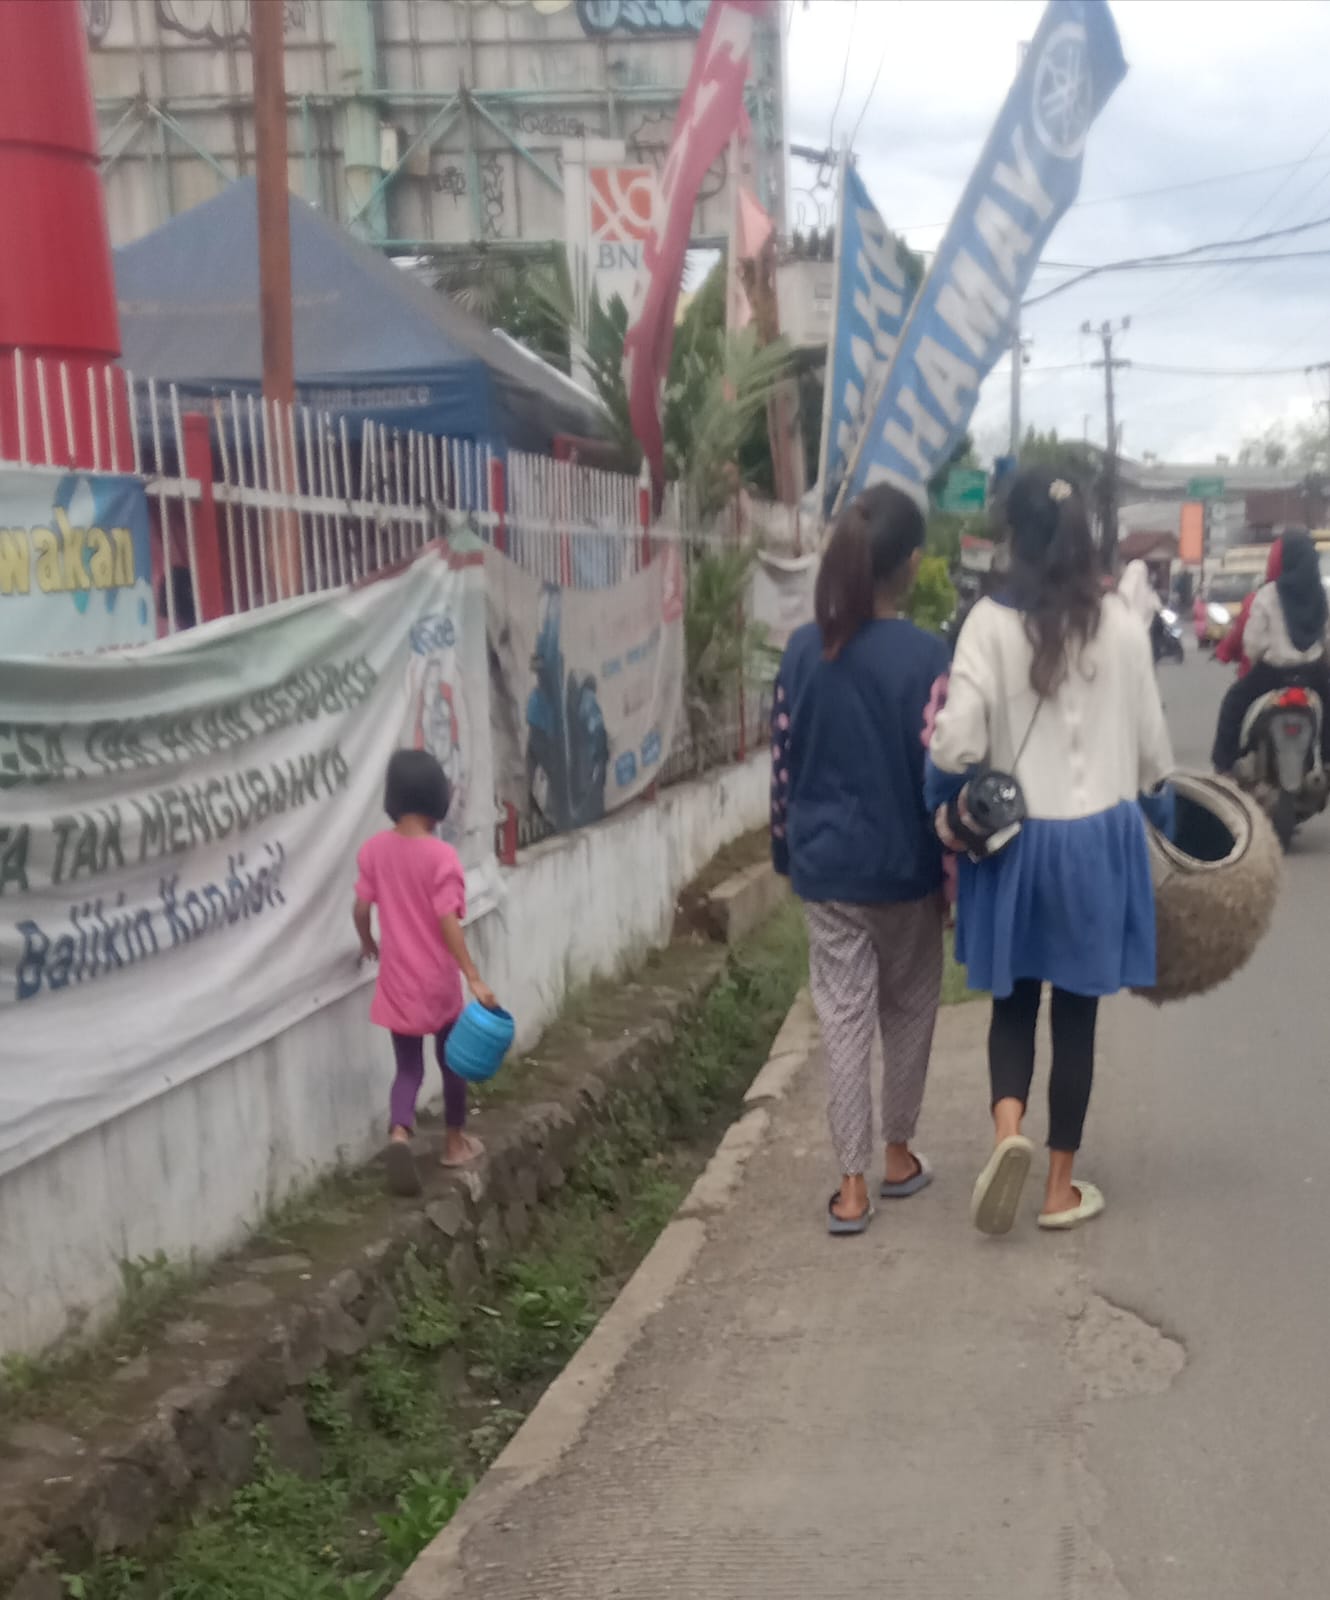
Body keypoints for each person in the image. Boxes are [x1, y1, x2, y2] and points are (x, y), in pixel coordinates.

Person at [926, 469, 1174, 1236]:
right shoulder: (1125, 627)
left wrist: (941, 794)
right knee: (1075, 1019)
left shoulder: (985, 625)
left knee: (1012, 1003)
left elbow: (955, 746)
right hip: (1098, 844)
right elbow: (1154, 761)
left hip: (1017, 845)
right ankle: (1060, 1188)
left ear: (1013, 538)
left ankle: (1008, 1135)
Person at [770, 484, 950, 1235]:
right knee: (908, 1010)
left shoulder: (803, 651)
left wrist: (785, 850)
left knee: (842, 1021)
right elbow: (940, 771)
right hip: (905, 870)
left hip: (826, 869)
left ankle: (850, 1188)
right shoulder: (928, 657)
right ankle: (899, 1154)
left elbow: (783, 762)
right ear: (909, 566)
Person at [354, 749, 498, 1196]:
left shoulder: (374, 851)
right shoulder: (441, 858)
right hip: (437, 984)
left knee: (408, 1069)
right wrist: (472, 974)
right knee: (452, 1064)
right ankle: (454, 1144)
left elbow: (361, 907)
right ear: (438, 797)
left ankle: (400, 1133)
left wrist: (367, 942)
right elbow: (447, 921)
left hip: (397, 981)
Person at [1212, 528, 1330, 772]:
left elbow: (1253, 643)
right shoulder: (1320, 595)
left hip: (1272, 674)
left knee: (1234, 703)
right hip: (1313, 674)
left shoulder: (1268, 594)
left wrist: (1259, 659)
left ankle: (1224, 766)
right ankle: (1327, 761)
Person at [1215, 538, 1282, 678]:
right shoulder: (1321, 597)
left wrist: (1224, 652)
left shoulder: (1260, 598)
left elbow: (1247, 642)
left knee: (1232, 700)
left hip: (1263, 675)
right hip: (1313, 678)